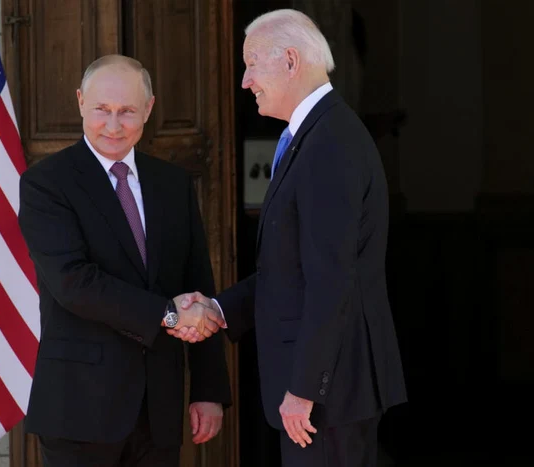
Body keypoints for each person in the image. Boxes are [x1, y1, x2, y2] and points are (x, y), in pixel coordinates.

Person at [172, 9, 407, 467]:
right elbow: (292, 271)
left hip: (329, 397)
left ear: (291, 61)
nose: (245, 81)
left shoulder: (329, 143)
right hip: (326, 395)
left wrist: (303, 389)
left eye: (252, 63)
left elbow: (332, 278)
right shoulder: (314, 135)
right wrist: (218, 310)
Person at [18, 54, 231, 467]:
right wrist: (167, 315)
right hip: (79, 411)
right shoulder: (46, 183)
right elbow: (74, 283)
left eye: (127, 112)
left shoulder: (172, 183)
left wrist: (209, 389)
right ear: (81, 102)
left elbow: (198, 282)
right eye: (102, 110)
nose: (113, 125)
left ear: (148, 110)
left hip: (159, 411)